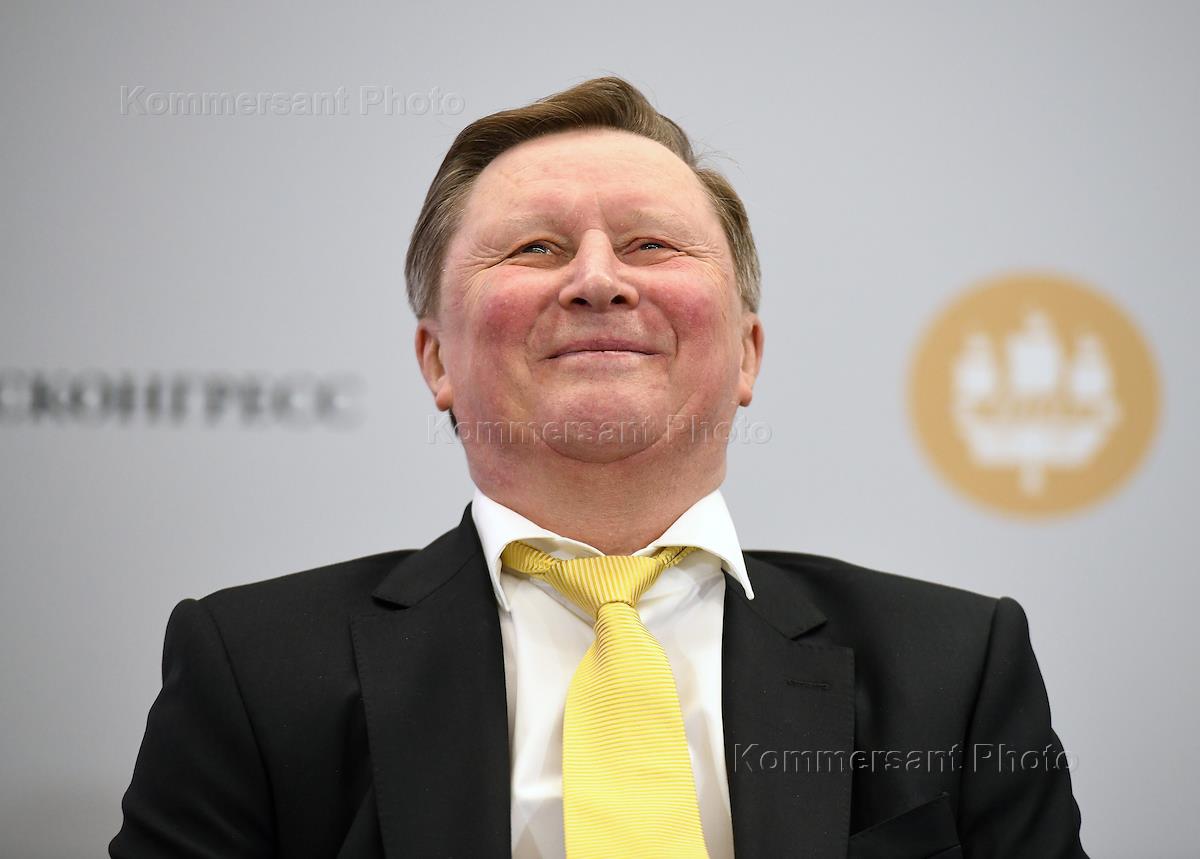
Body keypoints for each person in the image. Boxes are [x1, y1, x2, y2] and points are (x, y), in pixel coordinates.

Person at [111, 77, 1088, 858]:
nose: (596, 279)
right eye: (535, 247)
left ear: (746, 353)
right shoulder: (253, 670)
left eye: (650, 243)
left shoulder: (955, 664)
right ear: (437, 359)